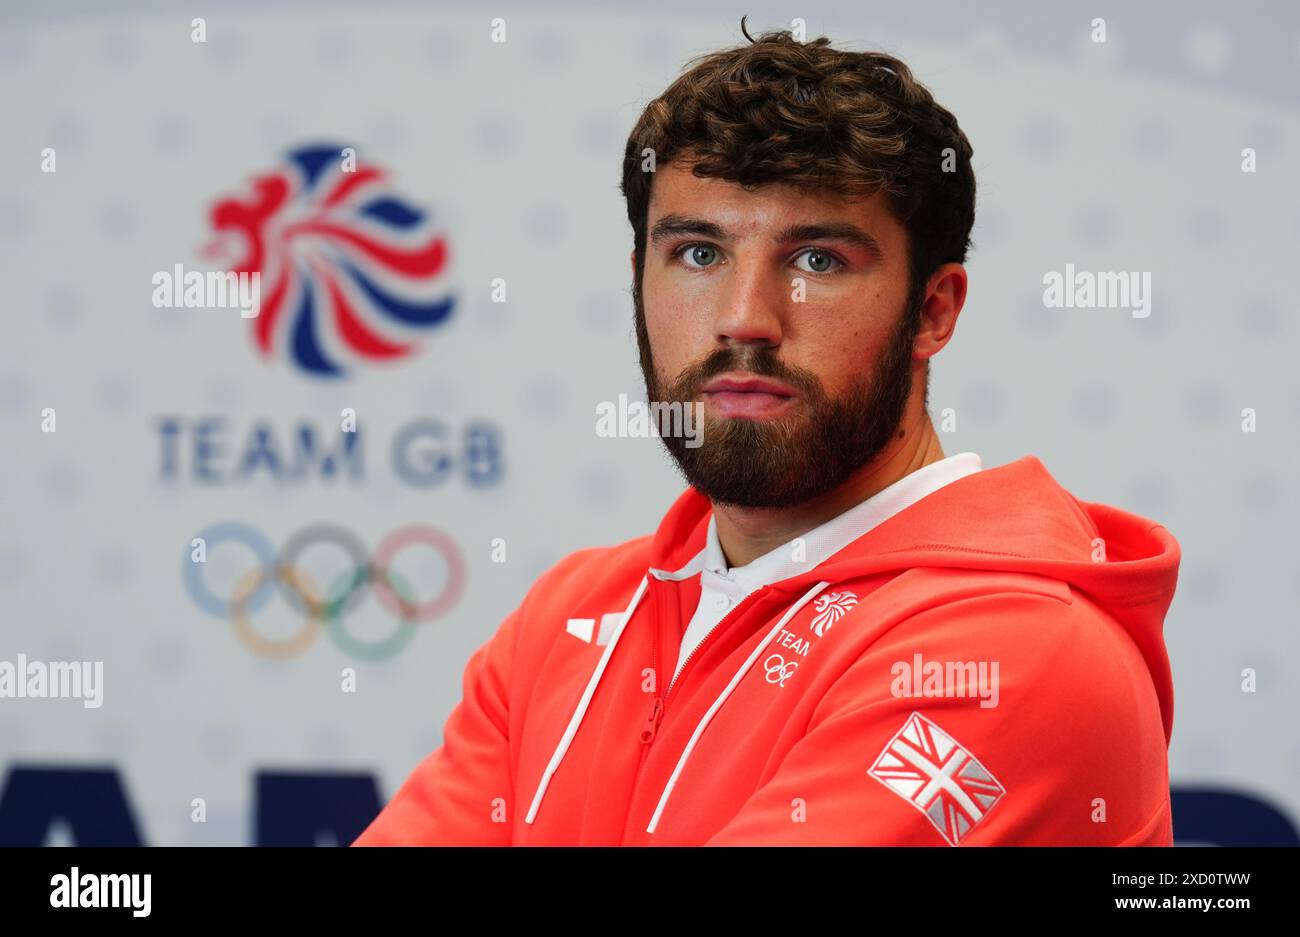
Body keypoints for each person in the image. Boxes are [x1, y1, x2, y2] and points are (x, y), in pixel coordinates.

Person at [353, 22, 1178, 846]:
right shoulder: (575, 614)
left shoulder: (1015, 651)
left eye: (816, 260)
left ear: (934, 310)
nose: (744, 320)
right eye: (699, 252)